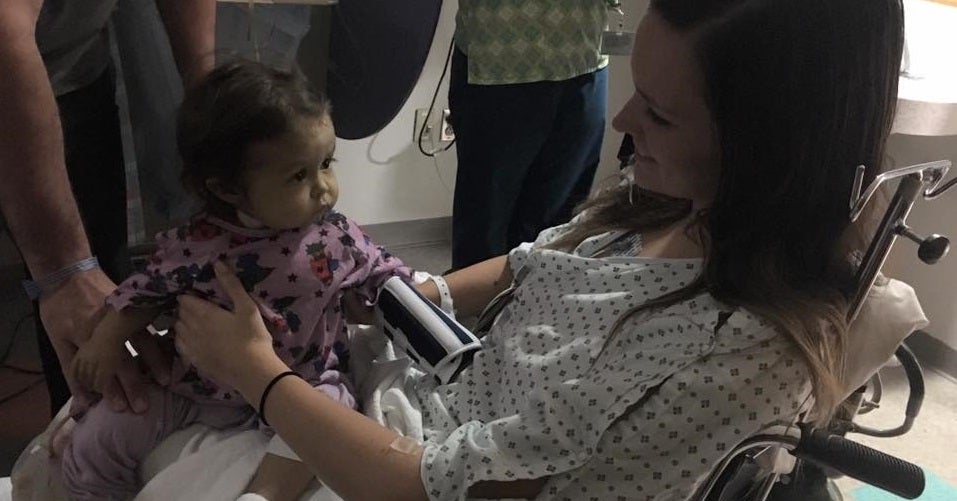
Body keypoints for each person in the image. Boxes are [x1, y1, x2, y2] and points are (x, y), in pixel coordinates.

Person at [170, 0, 905, 499]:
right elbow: (532, 265)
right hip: (411, 395)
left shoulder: (732, 361)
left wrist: (257, 371)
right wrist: (401, 297)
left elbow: (424, 485)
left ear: (769, 145)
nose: (621, 117)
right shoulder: (665, 207)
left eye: (657, 112)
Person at [60, 61, 412, 501]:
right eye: (298, 175)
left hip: (298, 384)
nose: (324, 187)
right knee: (98, 437)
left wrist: (388, 297)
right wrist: (107, 339)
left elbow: (387, 273)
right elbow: (146, 291)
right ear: (227, 190)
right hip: (197, 389)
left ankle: (264, 495)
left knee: (334, 411)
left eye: (326, 163)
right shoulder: (197, 245)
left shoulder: (336, 237)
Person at [0, 0, 216, 417]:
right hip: (11, 62)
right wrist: (64, 271)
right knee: (75, 292)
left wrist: (209, 96)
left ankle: (86, 437)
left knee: (100, 304)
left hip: (73, 78)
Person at [448, 0, 611, 270]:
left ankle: (540, 302)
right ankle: (475, 308)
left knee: (560, 223)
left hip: (585, 55)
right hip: (500, 64)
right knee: (485, 221)